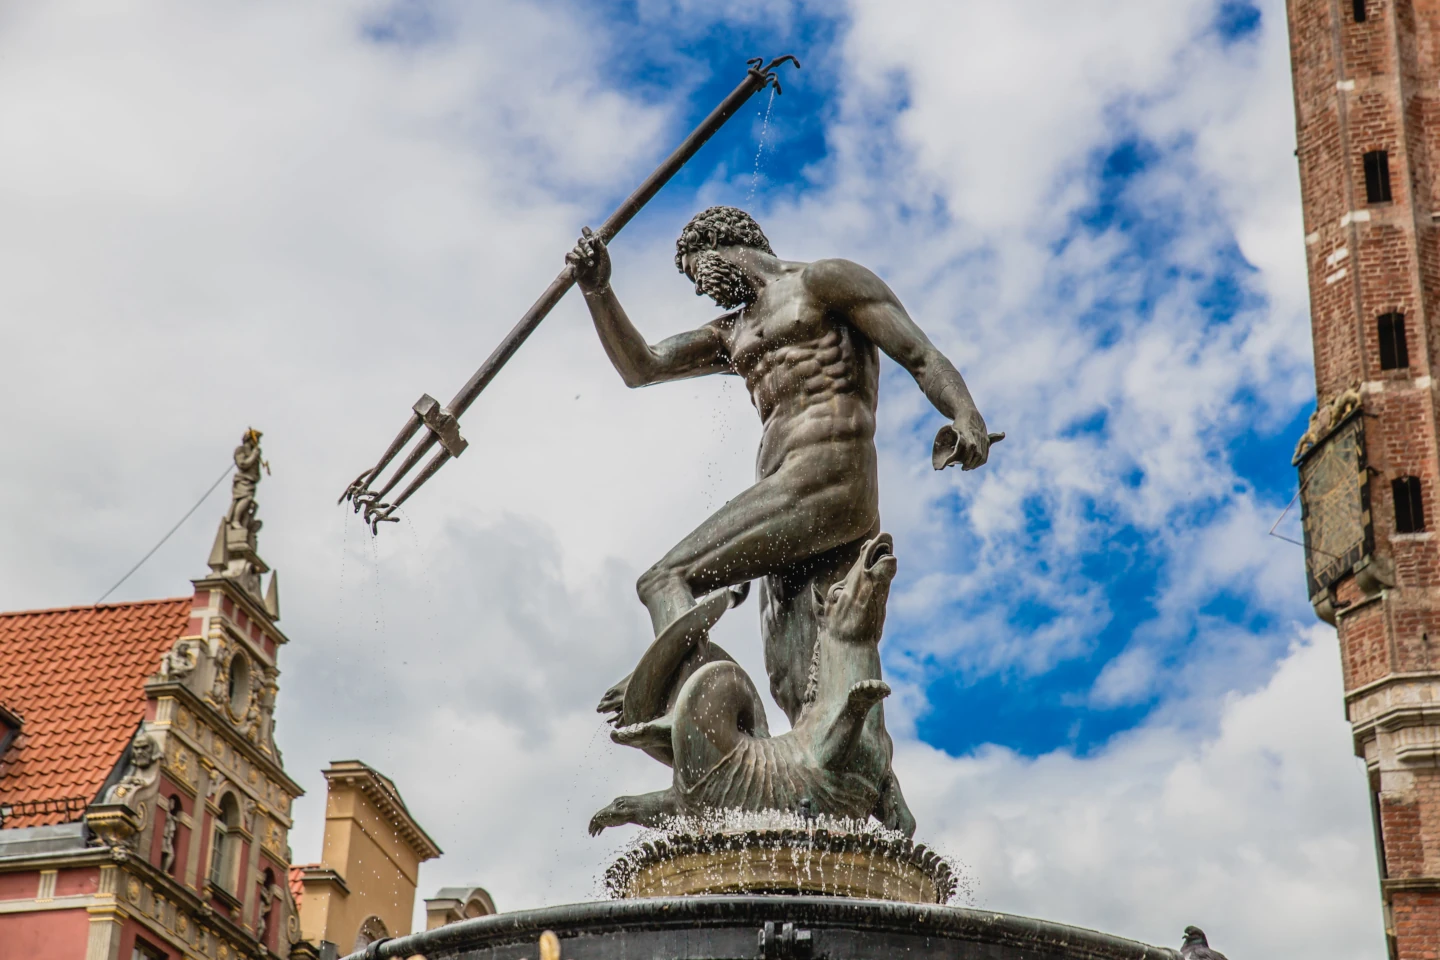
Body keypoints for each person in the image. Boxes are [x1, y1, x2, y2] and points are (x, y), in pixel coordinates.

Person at [568, 206, 994, 724]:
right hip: (787, 500)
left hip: (828, 474)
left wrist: (964, 412)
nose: (699, 290)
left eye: (693, 272)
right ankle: (818, 788)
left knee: (664, 579)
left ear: (718, 245)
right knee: (798, 685)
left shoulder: (824, 281)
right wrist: (598, 291)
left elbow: (920, 354)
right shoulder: (731, 333)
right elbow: (644, 367)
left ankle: (683, 696)